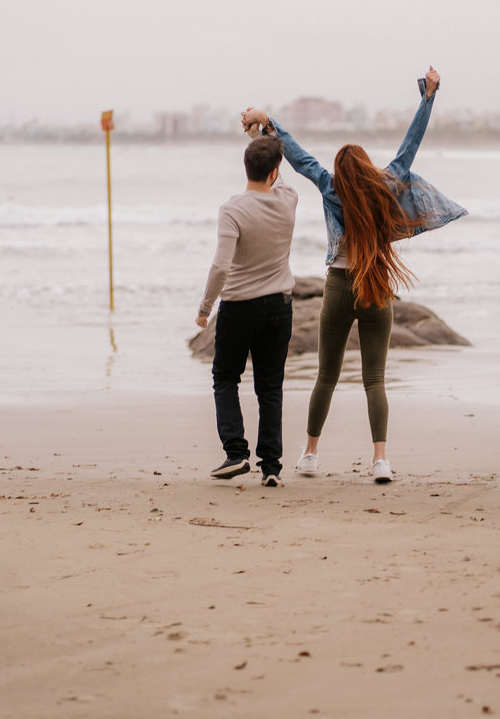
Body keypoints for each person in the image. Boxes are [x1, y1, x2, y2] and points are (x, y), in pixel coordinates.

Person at [241, 67, 466, 484]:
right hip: (378, 288)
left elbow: (299, 156)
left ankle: (310, 454)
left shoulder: (331, 188)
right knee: (374, 379)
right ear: (366, 169)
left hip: (340, 288)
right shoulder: (387, 185)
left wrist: (268, 123)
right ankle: (380, 460)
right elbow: (411, 143)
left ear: (342, 173)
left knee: (326, 375)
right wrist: (428, 96)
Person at [196, 134, 297, 487]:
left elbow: (221, 267)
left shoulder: (233, 209)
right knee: (269, 387)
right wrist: (262, 134)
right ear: (274, 171)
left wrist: (205, 307)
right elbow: (280, 177)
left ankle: (236, 453)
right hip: (279, 308)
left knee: (225, 378)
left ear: (246, 168)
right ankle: (271, 466)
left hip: (238, 307)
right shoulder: (288, 201)